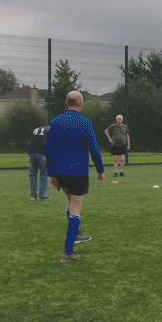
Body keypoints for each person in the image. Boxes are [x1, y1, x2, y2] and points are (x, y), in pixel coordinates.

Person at [46, 91, 104, 263]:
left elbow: (50, 150)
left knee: (70, 203)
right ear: (82, 104)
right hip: (78, 172)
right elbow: (94, 149)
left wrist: (51, 174)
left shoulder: (56, 122)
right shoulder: (86, 123)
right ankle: (68, 252)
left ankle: (77, 233)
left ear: (66, 103)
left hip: (60, 172)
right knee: (76, 209)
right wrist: (100, 170)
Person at [28, 124, 51, 201]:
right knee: (44, 174)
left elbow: (29, 141)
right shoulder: (49, 130)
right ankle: (42, 195)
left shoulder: (35, 129)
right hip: (42, 153)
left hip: (32, 153)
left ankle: (33, 194)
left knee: (33, 174)